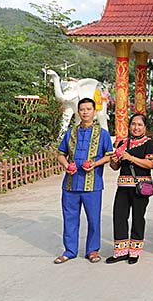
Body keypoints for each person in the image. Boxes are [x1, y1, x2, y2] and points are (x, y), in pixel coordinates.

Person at [54, 97, 113, 264]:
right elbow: (60, 154)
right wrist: (66, 165)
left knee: (93, 219)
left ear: (94, 112)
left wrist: (95, 164)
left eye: (89, 109)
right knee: (69, 218)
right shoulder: (70, 133)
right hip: (70, 184)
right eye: (82, 109)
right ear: (78, 112)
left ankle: (92, 251)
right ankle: (69, 250)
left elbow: (109, 156)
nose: (85, 112)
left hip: (93, 184)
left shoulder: (103, 134)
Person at [106, 113, 153, 264]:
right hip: (123, 186)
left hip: (140, 187)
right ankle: (120, 251)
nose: (136, 127)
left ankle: (134, 251)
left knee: (138, 217)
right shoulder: (123, 143)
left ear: (145, 127)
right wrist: (114, 161)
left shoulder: (148, 143)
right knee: (119, 216)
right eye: (133, 124)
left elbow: (151, 164)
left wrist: (131, 158)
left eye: (140, 125)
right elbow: (115, 167)